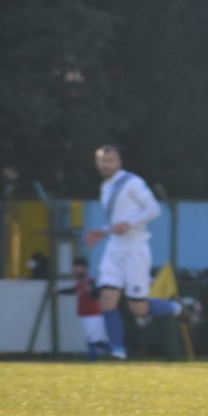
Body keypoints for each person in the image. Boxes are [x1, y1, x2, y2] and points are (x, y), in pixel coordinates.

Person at [83, 145, 183, 360]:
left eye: (110, 160)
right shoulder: (105, 187)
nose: (106, 165)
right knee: (106, 299)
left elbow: (154, 209)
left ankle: (174, 307)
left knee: (138, 308)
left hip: (136, 249)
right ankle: (117, 350)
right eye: (102, 161)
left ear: (119, 162)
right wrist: (102, 231)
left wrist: (129, 224)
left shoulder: (132, 182)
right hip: (113, 248)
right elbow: (116, 221)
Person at [55, 257, 110, 360]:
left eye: (77, 267)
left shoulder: (90, 280)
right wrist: (58, 292)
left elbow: (97, 294)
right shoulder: (81, 282)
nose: (75, 270)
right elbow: (73, 290)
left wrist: (91, 291)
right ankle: (114, 352)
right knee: (95, 340)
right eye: (74, 268)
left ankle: (99, 357)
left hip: (93, 314)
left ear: (84, 268)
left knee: (92, 340)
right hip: (86, 314)